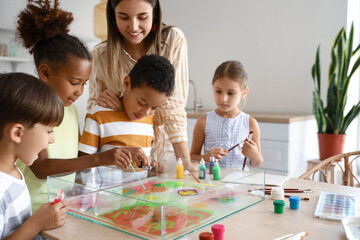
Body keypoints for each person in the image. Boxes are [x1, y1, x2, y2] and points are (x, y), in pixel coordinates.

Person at [16, 0, 133, 212]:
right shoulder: (32, 111)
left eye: (84, 84)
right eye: (74, 82)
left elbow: (77, 159)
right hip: (32, 211)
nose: (80, 91)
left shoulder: (70, 111)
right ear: (45, 73)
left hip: (60, 206)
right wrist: (99, 159)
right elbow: (41, 168)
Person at [89, 0, 198, 171]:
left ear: (154, 14)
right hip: (122, 158)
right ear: (113, 15)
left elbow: (173, 107)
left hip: (166, 150)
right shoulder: (100, 55)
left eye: (142, 17)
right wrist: (99, 102)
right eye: (124, 17)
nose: (133, 27)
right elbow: (93, 112)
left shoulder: (171, 40)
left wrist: (185, 161)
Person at [79, 54, 173, 175]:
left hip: (138, 192)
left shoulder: (149, 119)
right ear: (127, 84)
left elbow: (139, 169)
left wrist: (150, 171)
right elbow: (82, 167)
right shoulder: (99, 115)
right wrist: (117, 155)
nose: (146, 112)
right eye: (141, 103)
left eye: (154, 107)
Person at [0, 73, 68, 239]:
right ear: (18, 133)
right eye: (49, 131)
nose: (52, 139)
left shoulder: (13, 171)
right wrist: (37, 223)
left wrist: (42, 218)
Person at [190, 61, 264, 170]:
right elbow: (192, 157)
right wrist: (206, 157)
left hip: (241, 185)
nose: (223, 98)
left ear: (243, 93)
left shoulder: (250, 123)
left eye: (230, 93)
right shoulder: (203, 121)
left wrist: (255, 156)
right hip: (212, 184)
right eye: (218, 91)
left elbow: (257, 163)